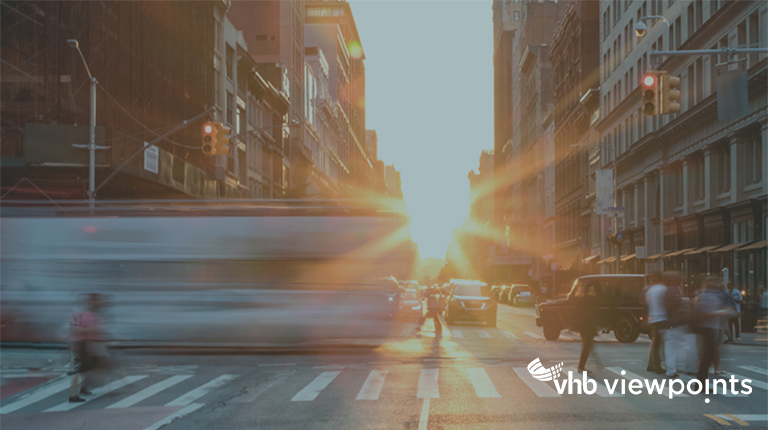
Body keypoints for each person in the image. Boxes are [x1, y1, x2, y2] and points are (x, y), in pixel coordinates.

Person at [693, 277, 735, 382]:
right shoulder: (706, 297)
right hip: (707, 329)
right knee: (707, 356)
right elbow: (706, 312)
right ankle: (700, 382)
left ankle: (701, 381)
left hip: (708, 328)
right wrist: (723, 312)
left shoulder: (705, 296)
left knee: (707, 356)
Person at [68, 294, 104, 403]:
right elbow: (75, 329)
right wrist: (91, 330)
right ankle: (73, 395)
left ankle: (83, 388)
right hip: (81, 343)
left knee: (86, 367)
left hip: (83, 343)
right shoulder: (85, 315)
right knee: (78, 370)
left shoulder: (81, 314)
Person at [661, 271, 686, 378]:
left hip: (669, 321)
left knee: (671, 347)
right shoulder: (673, 291)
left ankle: (671, 369)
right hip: (675, 322)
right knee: (681, 345)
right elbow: (678, 305)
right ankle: (676, 368)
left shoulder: (666, 290)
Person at [645, 272, 666, 374]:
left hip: (654, 318)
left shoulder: (650, 290)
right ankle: (657, 365)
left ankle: (652, 363)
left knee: (655, 342)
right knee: (658, 343)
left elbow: (647, 304)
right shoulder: (663, 289)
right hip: (662, 318)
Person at [577, 283, 601, 373]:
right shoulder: (591, 300)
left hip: (583, 326)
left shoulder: (581, 299)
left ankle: (582, 365)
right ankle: (581, 366)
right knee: (587, 346)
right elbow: (593, 314)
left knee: (586, 346)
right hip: (588, 326)